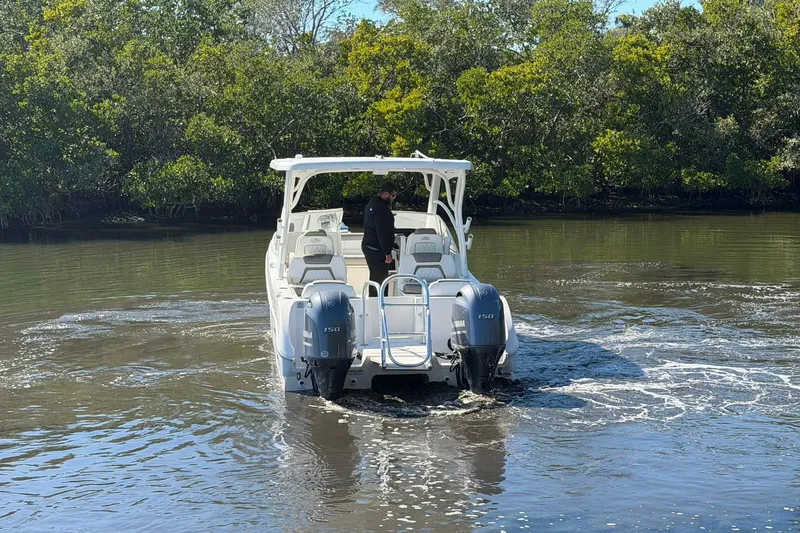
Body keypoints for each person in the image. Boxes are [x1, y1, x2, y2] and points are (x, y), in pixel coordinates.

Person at [361, 182, 397, 296]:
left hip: (368, 246)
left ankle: (373, 302)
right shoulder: (382, 209)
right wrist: (387, 252)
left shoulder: (371, 203)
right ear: (386, 194)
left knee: (375, 277)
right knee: (380, 280)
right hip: (376, 249)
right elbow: (382, 232)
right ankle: (378, 305)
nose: (393, 199)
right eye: (393, 196)